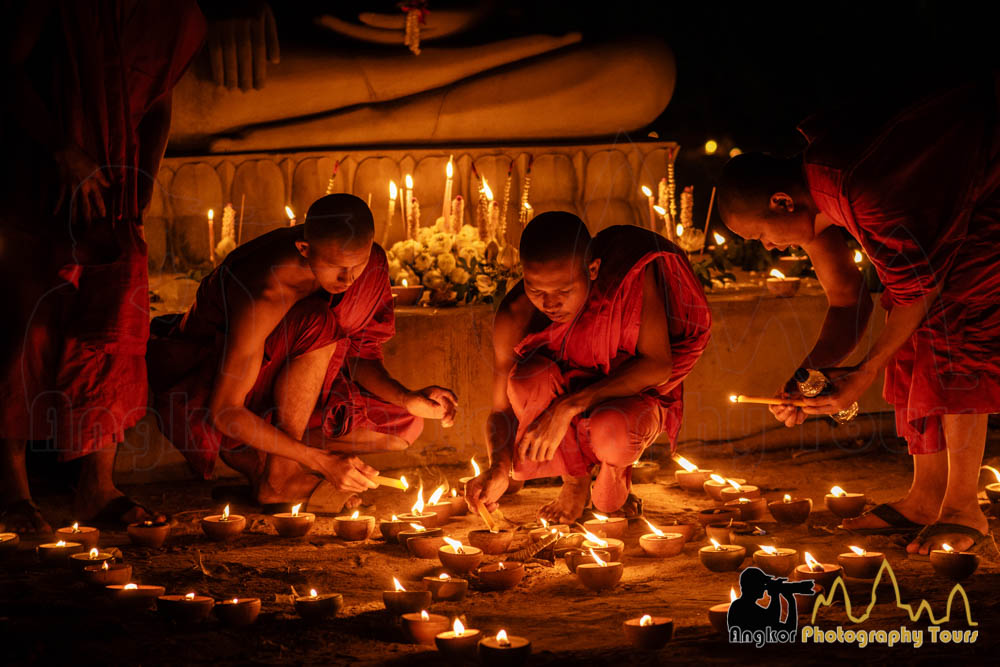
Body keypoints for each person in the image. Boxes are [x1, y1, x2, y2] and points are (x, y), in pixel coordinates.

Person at [717, 74, 1000, 554]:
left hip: (987, 200)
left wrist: (865, 371)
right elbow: (850, 299)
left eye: (761, 235)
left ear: (781, 202)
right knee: (908, 330)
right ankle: (926, 498)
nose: (768, 247)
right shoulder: (815, 206)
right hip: (944, 240)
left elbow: (922, 289)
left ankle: (961, 507)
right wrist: (811, 377)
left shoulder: (861, 186)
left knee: (951, 329)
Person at [0, 0, 205, 533]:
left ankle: (98, 486)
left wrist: (144, 180)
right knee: (24, 336)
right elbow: (7, 67)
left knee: (113, 336)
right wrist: (62, 151)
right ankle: (13, 491)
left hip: (116, 193)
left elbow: (159, 100)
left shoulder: (174, 11)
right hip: (38, 180)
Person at [148, 194, 457, 510]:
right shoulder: (263, 291)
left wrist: (407, 397)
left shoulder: (369, 265)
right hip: (220, 390)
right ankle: (280, 477)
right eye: (336, 267)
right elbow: (225, 411)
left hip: (303, 391)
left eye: (357, 265)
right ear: (304, 249)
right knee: (316, 321)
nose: (348, 279)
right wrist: (323, 462)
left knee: (406, 423)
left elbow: (361, 357)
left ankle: (270, 460)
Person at [465, 212, 711, 523]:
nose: (549, 303)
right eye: (536, 290)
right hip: (563, 413)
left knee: (613, 440)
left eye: (563, 291)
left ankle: (615, 471)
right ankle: (575, 479)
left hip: (624, 404)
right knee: (527, 378)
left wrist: (568, 407)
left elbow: (658, 366)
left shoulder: (626, 282)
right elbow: (501, 409)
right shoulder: (516, 315)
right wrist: (498, 468)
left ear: (593, 270)